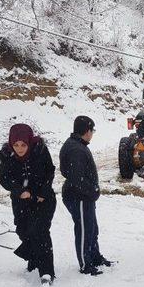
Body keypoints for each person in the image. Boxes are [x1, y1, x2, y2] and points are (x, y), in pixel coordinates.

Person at [0, 124, 56, 286]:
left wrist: (42, 193)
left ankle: (46, 272)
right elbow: (4, 178)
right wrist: (19, 190)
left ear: (29, 142)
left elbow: (49, 171)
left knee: (39, 231)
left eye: (23, 145)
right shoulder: (5, 155)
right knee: (23, 231)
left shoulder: (40, 150)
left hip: (43, 199)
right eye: (16, 145)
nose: (20, 149)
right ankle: (34, 259)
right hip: (20, 200)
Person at [60, 116, 112, 276]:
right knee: (84, 230)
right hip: (78, 197)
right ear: (87, 131)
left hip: (84, 197)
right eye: (92, 130)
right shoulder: (76, 149)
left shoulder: (78, 145)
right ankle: (85, 264)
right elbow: (77, 179)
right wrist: (92, 191)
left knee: (92, 228)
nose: (93, 134)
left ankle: (94, 257)